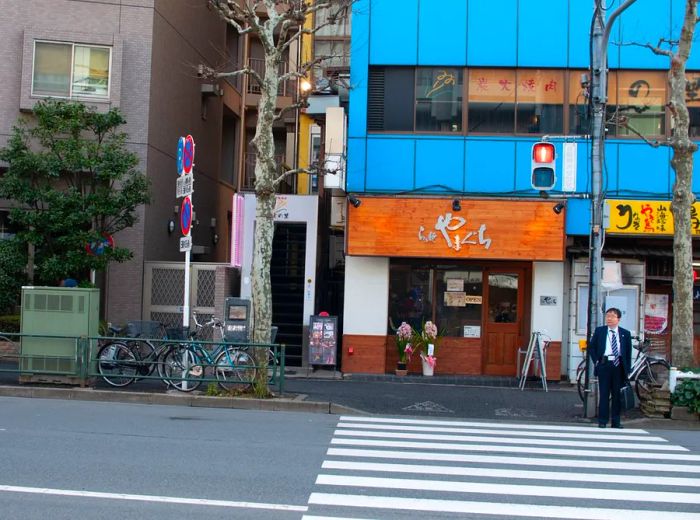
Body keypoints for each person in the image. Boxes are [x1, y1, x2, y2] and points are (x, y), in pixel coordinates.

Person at [589, 307, 632, 428]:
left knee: (617, 395)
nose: (609, 318)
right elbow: (591, 347)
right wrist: (597, 361)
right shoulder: (600, 331)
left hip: (618, 366)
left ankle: (616, 421)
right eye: (607, 316)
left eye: (612, 316)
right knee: (604, 393)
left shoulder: (625, 333)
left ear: (618, 319)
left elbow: (627, 353)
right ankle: (602, 421)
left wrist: (627, 369)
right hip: (604, 364)